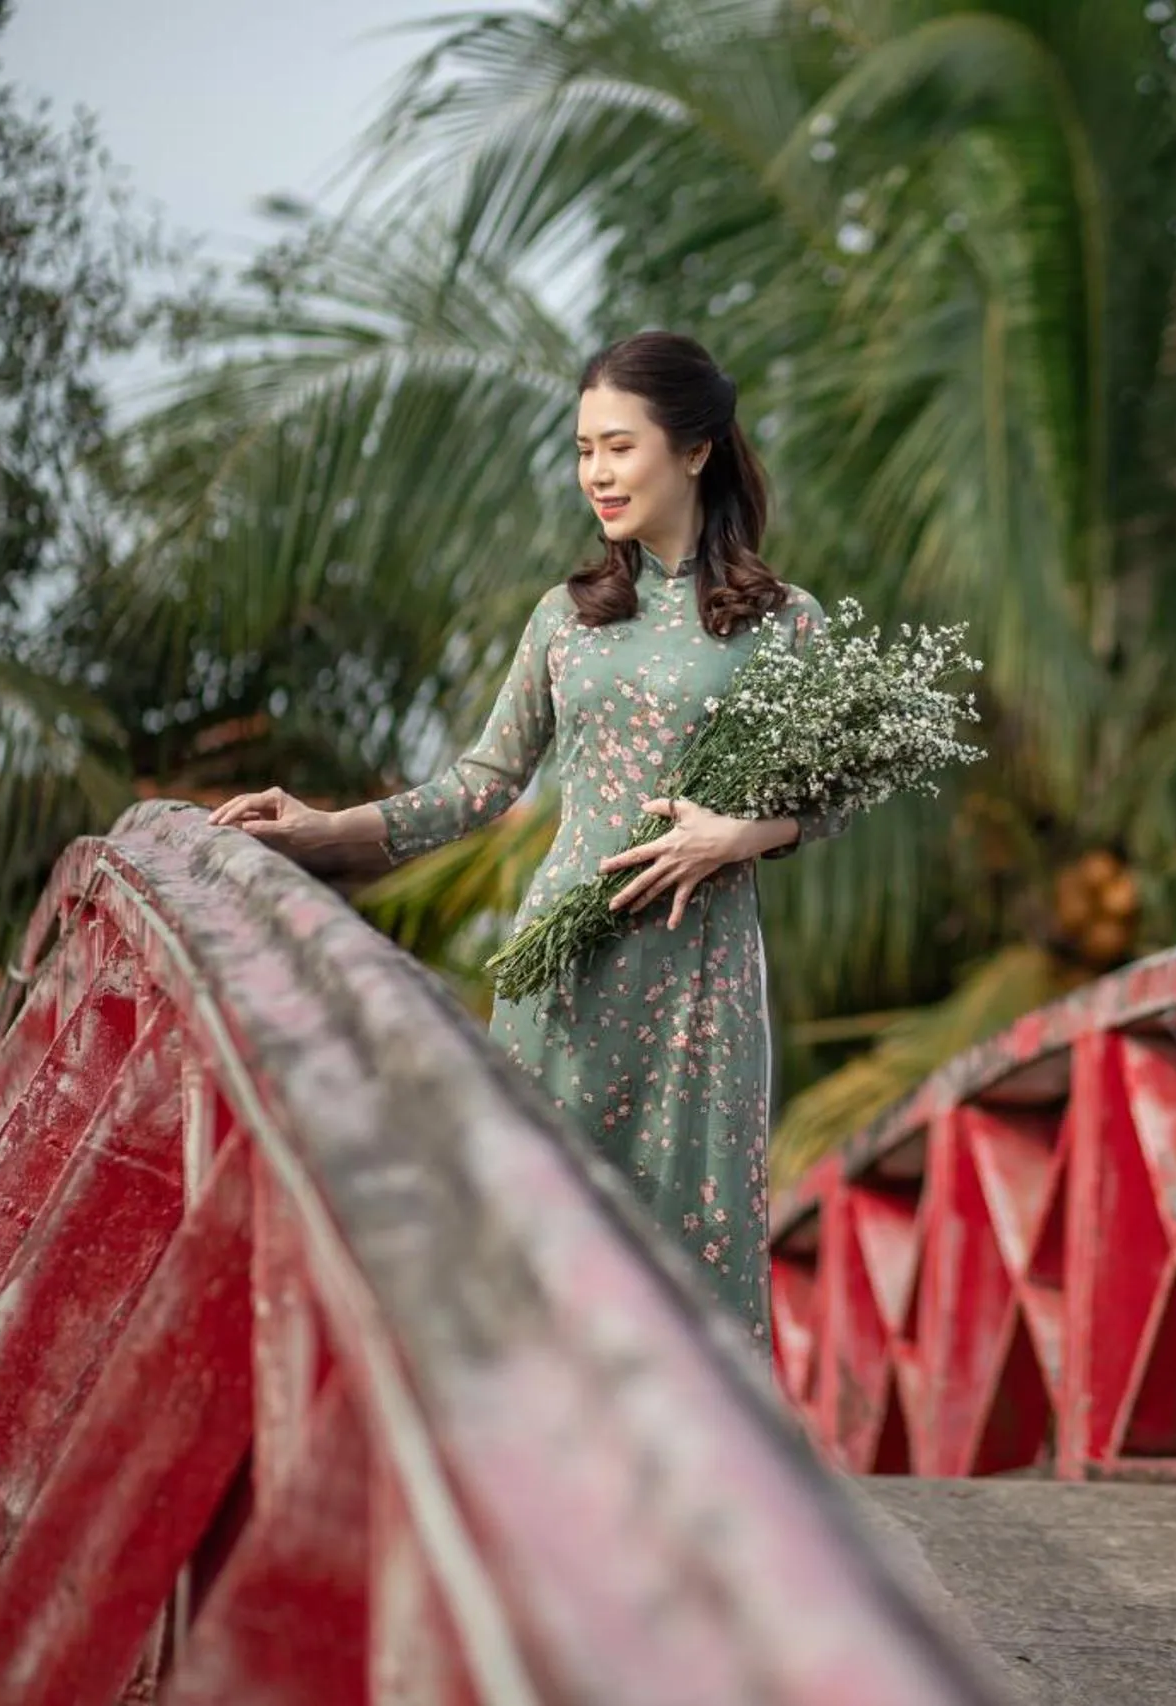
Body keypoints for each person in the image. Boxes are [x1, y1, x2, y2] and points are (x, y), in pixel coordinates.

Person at [207, 330, 845, 1342]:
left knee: (689, 1261)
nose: (595, 472)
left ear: (695, 448)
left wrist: (735, 834)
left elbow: (836, 789)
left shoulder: (785, 622)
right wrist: (325, 830)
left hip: (699, 989)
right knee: (538, 1256)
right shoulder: (566, 617)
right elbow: (480, 784)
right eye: (584, 447)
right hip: (563, 974)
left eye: (618, 446)